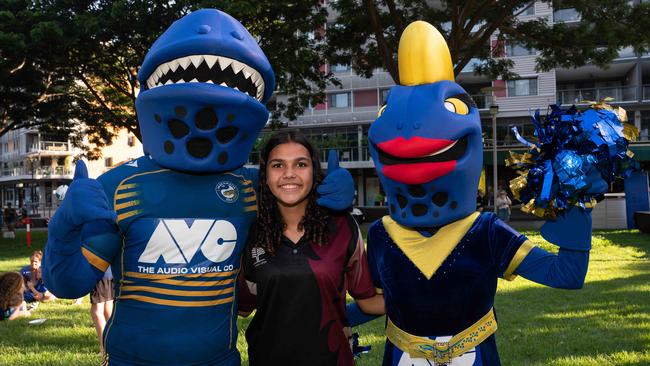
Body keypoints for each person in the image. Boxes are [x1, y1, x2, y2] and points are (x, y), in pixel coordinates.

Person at [42, 9, 353, 366]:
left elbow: (295, 199)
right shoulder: (120, 186)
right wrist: (63, 230)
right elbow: (69, 284)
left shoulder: (249, 187)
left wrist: (327, 192)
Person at [362, 21, 609, 365]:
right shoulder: (380, 236)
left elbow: (565, 276)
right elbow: (372, 302)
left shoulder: (486, 232)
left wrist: (575, 205)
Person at [241, 131, 384, 366]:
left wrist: (424, 295)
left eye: (300, 164)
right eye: (278, 165)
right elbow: (243, 308)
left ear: (314, 173)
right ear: (265, 176)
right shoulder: (252, 233)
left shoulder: (343, 227)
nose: (289, 174)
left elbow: (368, 302)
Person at [90, 267, 114, 354]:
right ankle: (112, 345)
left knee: (96, 312)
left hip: (100, 272)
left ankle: (104, 348)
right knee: (107, 309)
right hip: (110, 272)